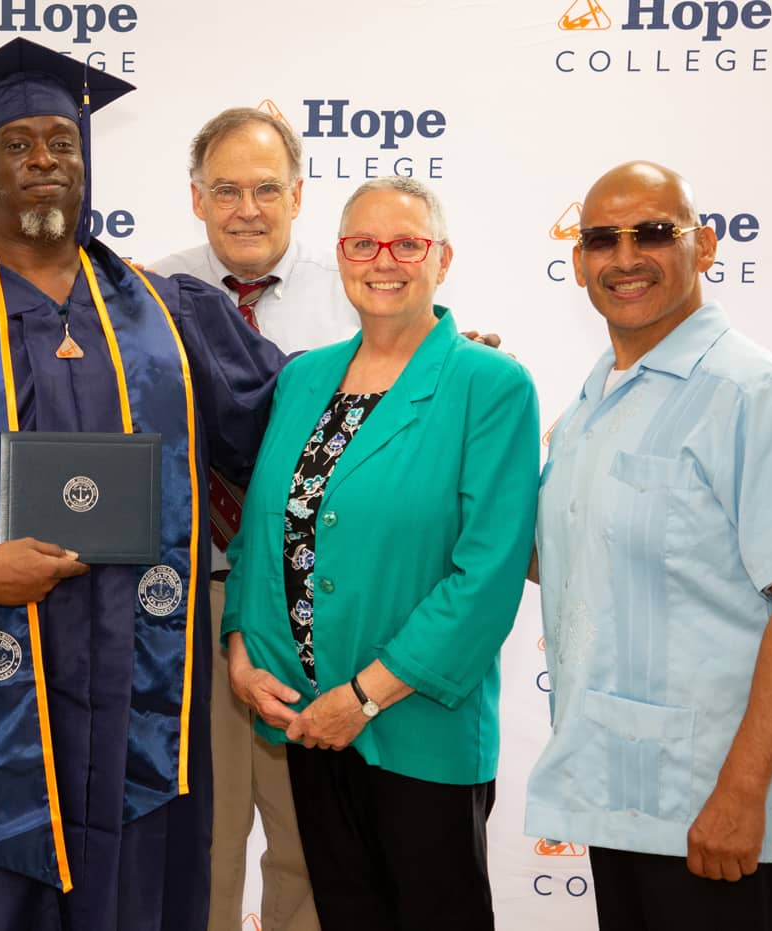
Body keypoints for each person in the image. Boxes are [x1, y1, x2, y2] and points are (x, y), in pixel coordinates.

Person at [0, 38, 286, 931]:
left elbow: (282, 413)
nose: (43, 159)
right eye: (18, 144)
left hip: (138, 675)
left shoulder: (171, 314)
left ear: (85, 162)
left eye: (62, 142)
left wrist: (405, 362)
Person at [527, 160, 772, 931]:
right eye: (602, 238)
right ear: (578, 262)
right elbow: (564, 560)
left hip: (721, 811)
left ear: (703, 245)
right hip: (623, 801)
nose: (626, 257)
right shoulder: (594, 401)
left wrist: (741, 790)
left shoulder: (753, 394)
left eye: (654, 233)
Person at [221, 177, 539, 931]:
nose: (383, 260)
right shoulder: (302, 378)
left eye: (407, 244)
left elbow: (486, 575)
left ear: (443, 259)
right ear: (340, 256)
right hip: (307, 721)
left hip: (416, 724)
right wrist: (240, 649)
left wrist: (362, 697)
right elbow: (261, 537)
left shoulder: (489, 384)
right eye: (363, 244)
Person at [154, 107, 357, 931]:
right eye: (226, 190)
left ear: (299, 196)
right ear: (196, 198)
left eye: (267, 189)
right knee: (197, 837)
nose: (247, 210)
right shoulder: (143, 296)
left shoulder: (358, 298)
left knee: (309, 836)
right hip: (178, 606)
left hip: (307, 601)